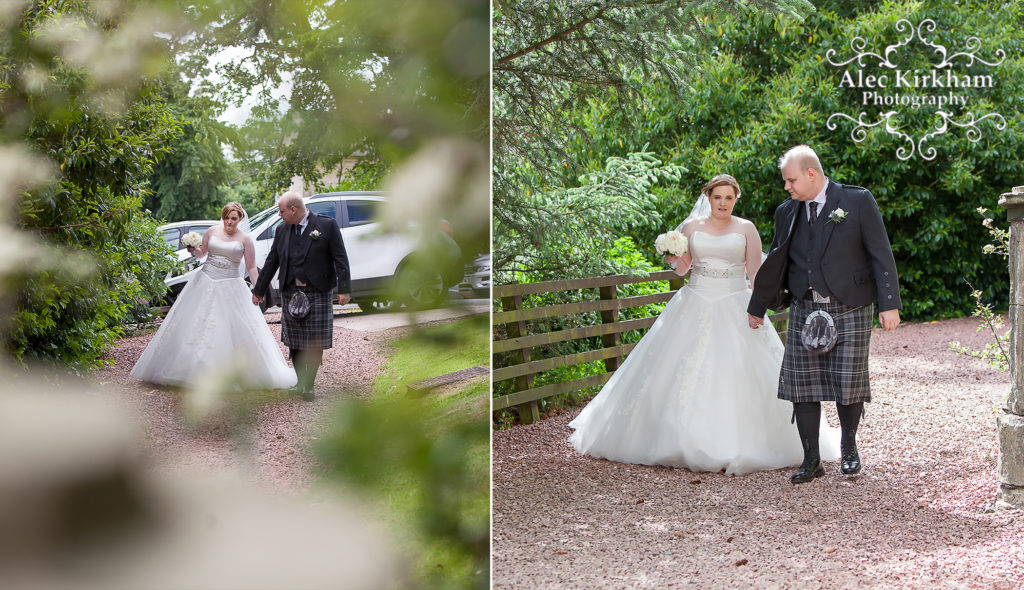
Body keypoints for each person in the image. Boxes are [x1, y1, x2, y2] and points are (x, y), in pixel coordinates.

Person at [569, 174, 839, 475]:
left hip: (736, 302)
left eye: (728, 197)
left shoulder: (746, 229)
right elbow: (682, 270)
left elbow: (755, 273)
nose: (722, 203)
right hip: (694, 301)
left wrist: (758, 308)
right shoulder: (691, 228)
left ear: (736, 198)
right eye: (717, 197)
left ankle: (761, 443)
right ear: (707, 198)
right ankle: (673, 438)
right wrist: (672, 256)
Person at [747, 145, 901, 484]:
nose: (786, 186)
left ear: (811, 174)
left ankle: (848, 447)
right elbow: (776, 260)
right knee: (803, 385)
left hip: (852, 305)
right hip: (805, 306)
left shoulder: (857, 201)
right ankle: (811, 459)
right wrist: (757, 305)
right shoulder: (787, 211)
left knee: (849, 382)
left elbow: (881, 253)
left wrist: (890, 304)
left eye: (791, 180)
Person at [131, 202, 297, 390]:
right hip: (205, 281)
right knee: (195, 324)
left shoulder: (245, 239)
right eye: (226, 217)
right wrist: (192, 249)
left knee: (229, 327)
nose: (229, 222)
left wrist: (258, 290)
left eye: (233, 218)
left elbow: (251, 266)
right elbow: (202, 253)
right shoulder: (212, 231)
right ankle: (188, 371)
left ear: (240, 219)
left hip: (231, 286)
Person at [251, 192, 351, 401]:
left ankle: (309, 386)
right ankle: (301, 382)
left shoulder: (326, 225)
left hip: (318, 290)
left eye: (282, 211)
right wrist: (258, 291)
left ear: (293, 210)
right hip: (290, 291)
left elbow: (340, 259)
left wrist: (344, 289)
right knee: (294, 341)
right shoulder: (282, 230)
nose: (280, 215)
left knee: (314, 341)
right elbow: (272, 262)